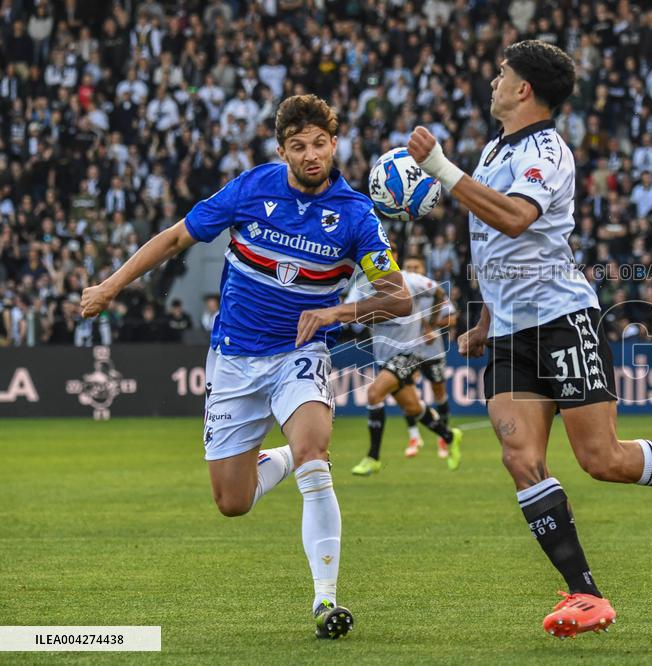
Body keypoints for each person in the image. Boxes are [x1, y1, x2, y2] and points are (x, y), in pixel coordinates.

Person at [407, 40, 652, 639]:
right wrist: (484, 319)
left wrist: (444, 171)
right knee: (520, 458)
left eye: (502, 74)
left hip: (562, 320)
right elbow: (494, 244)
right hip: (509, 333)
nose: (494, 81)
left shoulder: (548, 152)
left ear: (524, 89)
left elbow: (516, 218)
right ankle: (586, 595)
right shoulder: (496, 149)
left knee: (602, 460)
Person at [81, 94, 412, 640]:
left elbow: (398, 298)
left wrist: (336, 310)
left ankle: (325, 601)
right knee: (232, 503)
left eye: (321, 143)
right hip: (233, 359)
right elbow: (175, 237)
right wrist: (112, 286)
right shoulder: (251, 188)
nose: (312, 155)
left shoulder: (356, 216)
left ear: (335, 143)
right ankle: (280, 457)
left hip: (298, 356)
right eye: (299, 146)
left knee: (315, 457)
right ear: (282, 150)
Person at [345, 260, 461, 476]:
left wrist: (430, 323)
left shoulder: (410, 279)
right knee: (413, 408)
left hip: (409, 353)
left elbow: (437, 291)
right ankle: (450, 436)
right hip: (383, 357)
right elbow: (352, 321)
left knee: (374, 393)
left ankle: (373, 457)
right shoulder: (362, 286)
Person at [400, 255, 458, 460]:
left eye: (416, 266)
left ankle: (443, 435)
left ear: (423, 268)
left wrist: (433, 327)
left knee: (438, 392)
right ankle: (414, 437)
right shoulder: (400, 291)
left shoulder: (433, 290)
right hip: (408, 350)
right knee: (407, 392)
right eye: (408, 266)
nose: (412, 269)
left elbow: (452, 318)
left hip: (433, 351)